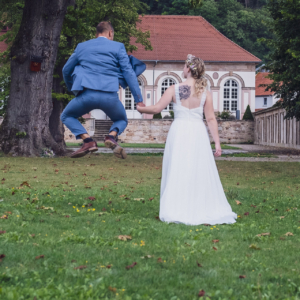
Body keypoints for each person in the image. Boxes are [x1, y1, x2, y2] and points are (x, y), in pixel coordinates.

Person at [137, 54, 237, 225]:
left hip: (180, 130)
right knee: (198, 168)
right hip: (198, 132)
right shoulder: (204, 93)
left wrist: (141, 109)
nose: (182, 69)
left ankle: (176, 206)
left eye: (184, 66)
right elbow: (211, 119)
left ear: (189, 69)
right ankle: (199, 205)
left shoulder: (176, 89)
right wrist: (217, 143)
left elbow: (157, 108)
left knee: (178, 165)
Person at [61, 21, 145, 159]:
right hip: (110, 97)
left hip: (86, 96)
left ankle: (88, 141)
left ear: (97, 33)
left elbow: (66, 70)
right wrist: (139, 99)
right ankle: (111, 137)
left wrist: (73, 89)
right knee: (121, 120)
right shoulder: (118, 47)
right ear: (110, 33)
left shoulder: (82, 47)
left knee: (66, 116)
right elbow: (129, 73)